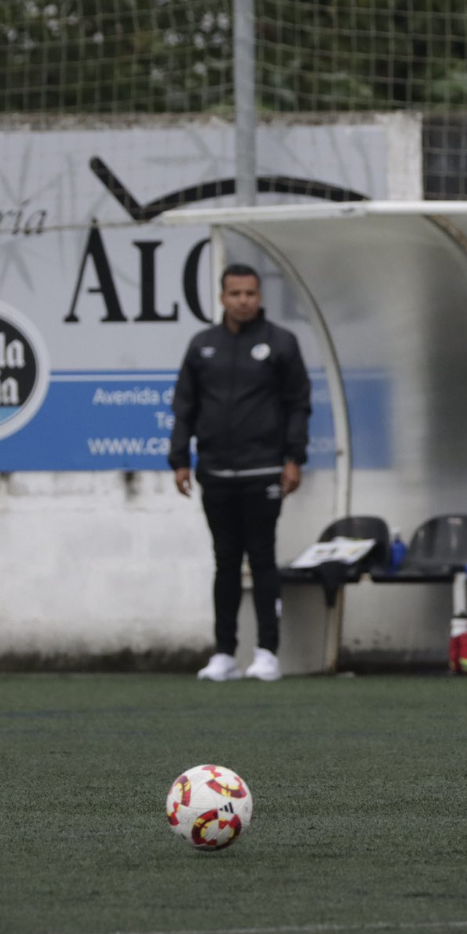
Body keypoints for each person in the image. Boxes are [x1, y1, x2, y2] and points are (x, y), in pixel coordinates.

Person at [170, 264, 311, 683]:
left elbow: (297, 404)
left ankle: (267, 652)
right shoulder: (202, 346)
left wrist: (293, 458)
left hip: (264, 470)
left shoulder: (281, 343)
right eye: (235, 293)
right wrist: (180, 458)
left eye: (251, 293)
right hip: (214, 472)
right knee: (225, 563)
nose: (243, 300)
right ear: (222, 297)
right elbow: (184, 408)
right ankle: (224, 653)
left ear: (260, 296)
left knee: (263, 561)